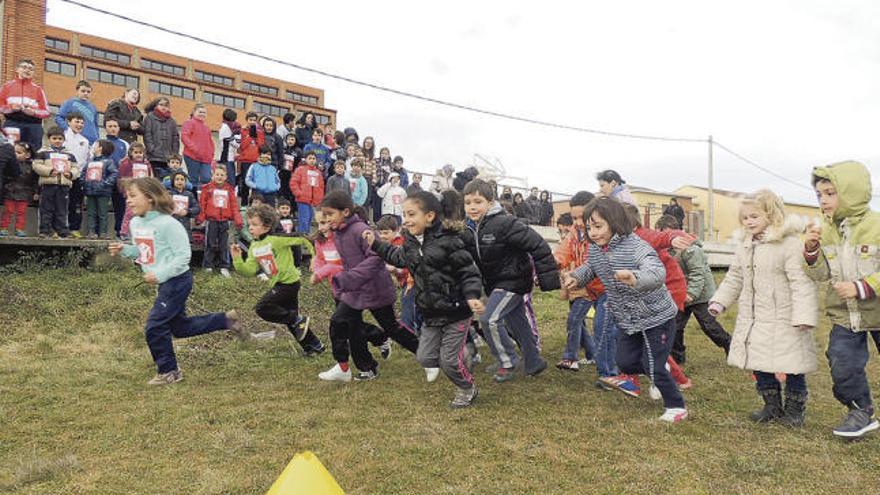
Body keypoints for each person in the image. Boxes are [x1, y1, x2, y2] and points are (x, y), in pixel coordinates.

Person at [108, 177, 245, 385]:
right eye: (127, 196)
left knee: (155, 326)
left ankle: (169, 371)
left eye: (133, 196)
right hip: (164, 282)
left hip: (177, 280)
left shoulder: (169, 224)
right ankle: (226, 320)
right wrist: (125, 250)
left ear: (151, 198)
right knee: (178, 327)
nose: (128, 200)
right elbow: (143, 250)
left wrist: (160, 274)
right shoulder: (135, 223)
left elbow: (183, 258)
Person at [563, 197, 687, 423]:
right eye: (590, 227)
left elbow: (656, 272)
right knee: (626, 361)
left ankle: (676, 405)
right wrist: (576, 277)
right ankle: (646, 372)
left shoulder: (636, 246)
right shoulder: (597, 249)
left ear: (615, 222)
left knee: (653, 365)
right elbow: (591, 267)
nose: (593, 232)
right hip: (627, 317)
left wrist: (634, 277)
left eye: (598, 226)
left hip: (655, 316)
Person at [365, 191, 484, 407]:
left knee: (448, 362)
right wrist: (376, 244)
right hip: (430, 312)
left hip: (456, 311)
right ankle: (464, 352)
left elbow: (468, 271)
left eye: (411, 214)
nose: (407, 220)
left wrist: (472, 295)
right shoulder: (410, 242)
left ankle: (467, 388)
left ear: (429, 216)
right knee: (424, 357)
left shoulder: (449, 241)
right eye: (404, 214)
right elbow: (399, 258)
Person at [710, 190, 817, 427]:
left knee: (792, 364)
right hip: (755, 317)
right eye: (745, 218)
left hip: (785, 317)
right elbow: (735, 277)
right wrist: (719, 301)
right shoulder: (745, 246)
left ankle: (795, 409)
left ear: (771, 215)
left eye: (754, 216)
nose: (749, 222)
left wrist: (803, 315)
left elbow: (801, 282)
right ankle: (772, 405)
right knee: (759, 362)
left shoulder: (788, 245)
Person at [804, 161, 880, 438]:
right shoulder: (823, 230)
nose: (823, 200)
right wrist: (811, 251)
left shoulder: (877, 225)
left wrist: (863, 287)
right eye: (819, 195)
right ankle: (860, 411)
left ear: (851, 192)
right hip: (845, 314)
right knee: (841, 362)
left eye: (830, 193)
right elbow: (820, 274)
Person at [461, 179, 560, 382]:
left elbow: (538, 245)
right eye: (468, 202)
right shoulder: (470, 229)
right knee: (518, 324)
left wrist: (547, 279)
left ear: (490, 202)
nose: (472, 206)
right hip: (495, 284)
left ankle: (508, 361)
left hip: (514, 281)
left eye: (478, 201)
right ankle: (534, 362)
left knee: (489, 319)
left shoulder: (505, 223)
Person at [316, 191, 420, 382]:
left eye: (330, 214)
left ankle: (426, 354)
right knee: (344, 323)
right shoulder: (338, 233)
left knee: (392, 328)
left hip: (374, 288)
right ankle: (355, 367)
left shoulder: (361, 230)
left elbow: (376, 258)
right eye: (325, 215)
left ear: (345, 212)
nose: (327, 219)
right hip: (355, 290)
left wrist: (349, 278)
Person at [231, 204, 325, 356]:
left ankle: (298, 321)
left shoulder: (277, 239)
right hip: (278, 283)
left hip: (289, 283)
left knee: (262, 308)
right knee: (292, 319)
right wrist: (237, 259)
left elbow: (302, 238)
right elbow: (249, 270)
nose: (251, 228)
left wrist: (315, 258)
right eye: (249, 225)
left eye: (255, 224)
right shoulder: (254, 246)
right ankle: (314, 346)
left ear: (267, 226)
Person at [655, 214, 731, 363]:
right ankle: (677, 356)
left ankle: (729, 344)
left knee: (709, 326)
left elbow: (698, 273)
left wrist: (691, 294)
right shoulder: (666, 250)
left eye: (660, 232)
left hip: (700, 295)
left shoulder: (691, 249)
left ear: (671, 230)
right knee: (675, 327)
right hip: (680, 294)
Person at [553, 192, 602, 372]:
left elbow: (596, 261)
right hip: (583, 285)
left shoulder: (600, 231)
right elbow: (563, 251)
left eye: (583, 217)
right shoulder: (575, 231)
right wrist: (556, 262)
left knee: (577, 320)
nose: (579, 222)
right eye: (575, 218)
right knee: (577, 320)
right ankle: (592, 354)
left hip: (600, 286)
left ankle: (571, 357)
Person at [32, 126, 78, 238]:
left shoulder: (69, 154)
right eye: (54, 138)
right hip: (48, 184)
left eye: (60, 138)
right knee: (46, 208)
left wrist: (71, 174)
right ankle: (45, 230)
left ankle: (62, 230)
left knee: (62, 209)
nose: (57, 141)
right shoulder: (43, 152)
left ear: (63, 140)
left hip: (63, 185)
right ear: (49, 139)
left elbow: (76, 168)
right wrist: (49, 171)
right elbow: (36, 165)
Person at [197, 166, 242, 278]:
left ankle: (225, 266)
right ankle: (208, 265)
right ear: (212, 176)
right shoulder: (207, 188)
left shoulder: (229, 190)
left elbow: (234, 206)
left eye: (222, 175)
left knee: (224, 244)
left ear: (226, 177)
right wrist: (201, 218)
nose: (219, 177)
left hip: (225, 221)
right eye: (217, 174)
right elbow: (202, 204)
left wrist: (238, 219)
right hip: (211, 221)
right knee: (210, 244)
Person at [0, 59, 50, 152]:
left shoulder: (38, 89)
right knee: (8, 151)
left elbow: (46, 111)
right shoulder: (7, 86)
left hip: (33, 125)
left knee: (32, 153)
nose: (27, 70)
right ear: (17, 69)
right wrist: (11, 108)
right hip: (12, 123)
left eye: (31, 69)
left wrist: (33, 112)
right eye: (24, 67)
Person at [81, 139, 118, 239]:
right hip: (90, 191)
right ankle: (91, 232)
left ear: (100, 148)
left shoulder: (108, 161)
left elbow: (114, 174)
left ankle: (103, 233)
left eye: (95, 145)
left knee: (102, 213)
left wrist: (105, 184)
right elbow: (83, 173)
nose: (93, 147)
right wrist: (84, 183)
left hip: (103, 192)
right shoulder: (90, 162)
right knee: (91, 213)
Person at [117, 142, 153, 240]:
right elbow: (121, 178)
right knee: (129, 213)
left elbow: (148, 178)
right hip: (131, 193)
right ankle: (124, 232)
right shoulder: (126, 163)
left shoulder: (147, 164)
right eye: (136, 152)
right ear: (131, 153)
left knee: (142, 213)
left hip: (143, 193)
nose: (138, 154)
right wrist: (125, 191)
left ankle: (140, 233)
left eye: (140, 152)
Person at [63, 111, 89, 239]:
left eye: (82, 123)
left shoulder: (85, 141)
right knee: (62, 203)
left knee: (76, 204)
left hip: (77, 177)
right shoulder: (62, 137)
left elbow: (85, 161)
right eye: (76, 121)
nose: (79, 125)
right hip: (62, 175)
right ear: (68, 122)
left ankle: (74, 228)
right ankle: (61, 228)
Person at [0, 142, 33, 237]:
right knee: (8, 211)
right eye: (14, 152)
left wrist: (35, 192)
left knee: (21, 213)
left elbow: (33, 181)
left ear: (27, 155)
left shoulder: (31, 166)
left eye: (19, 152)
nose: (15, 154)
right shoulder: (8, 164)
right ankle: (3, 228)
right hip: (10, 192)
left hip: (24, 193)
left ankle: (19, 229)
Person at [143, 97, 179, 181]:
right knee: (156, 181)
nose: (164, 107)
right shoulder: (150, 117)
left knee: (168, 181)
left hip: (168, 158)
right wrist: (151, 149)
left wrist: (174, 154)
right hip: (154, 157)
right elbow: (147, 135)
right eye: (161, 105)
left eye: (166, 105)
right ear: (156, 105)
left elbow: (175, 138)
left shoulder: (172, 121)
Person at [181, 103, 214, 192]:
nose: (202, 114)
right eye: (200, 112)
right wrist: (194, 149)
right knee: (194, 179)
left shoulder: (206, 127)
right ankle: (193, 198)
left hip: (205, 158)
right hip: (192, 156)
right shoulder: (189, 123)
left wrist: (211, 153)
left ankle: (203, 198)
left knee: (206, 178)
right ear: (194, 112)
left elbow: (210, 142)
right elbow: (184, 137)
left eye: (204, 113)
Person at [55, 80, 100, 145]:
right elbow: (58, 118)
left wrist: (97, 137)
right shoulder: (70, 103)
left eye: (88, 92)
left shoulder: (93, 107)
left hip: (92, 140)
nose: (86, 93)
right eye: (83, 91)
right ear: (77, 91)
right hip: (75, 138)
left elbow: (95, 125)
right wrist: (68, 129)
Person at [290, 151, 324, 233]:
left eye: (314, 158)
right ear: (306, 159)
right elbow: (293, 183)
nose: (312, 160)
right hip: (302, 200)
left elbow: (321, 186)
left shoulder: (318, 172)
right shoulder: (300, 169)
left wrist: (319, 199)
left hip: (312, 202)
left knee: (309, 219)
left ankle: (306, 237)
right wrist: (299, 193)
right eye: (310, 158)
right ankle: (302, 238)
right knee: (304, 220)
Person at [238, 112, 265, 205]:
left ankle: (254, 204)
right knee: (245, 183)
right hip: (245, 161)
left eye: (254, 120)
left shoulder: (260, 132)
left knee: (255, 184)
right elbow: (241, 146)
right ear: (247, 120)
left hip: (257, 161)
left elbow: (261, 146)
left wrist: (256, 136)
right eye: (250, 120)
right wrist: (249, 137)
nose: (252, 122)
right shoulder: (242, 131)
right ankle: (244, 204)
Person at [166, 170, 199, 241]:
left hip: (185, 225)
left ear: (185, 182)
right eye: (177, 179)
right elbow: (163, 207)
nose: (179, 181)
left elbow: (196, 208)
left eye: (182, 179)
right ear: (173, 182)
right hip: (172, 225)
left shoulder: (189, 194)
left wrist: (187, 211)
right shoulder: (168, 194)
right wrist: (169, 210)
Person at [217, 109, 240, 187]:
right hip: (226, 158)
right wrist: (238, 136)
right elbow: (236, 144)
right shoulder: (226, 128)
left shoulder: (225, 126)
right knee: (230, 181)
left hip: (227, 157)